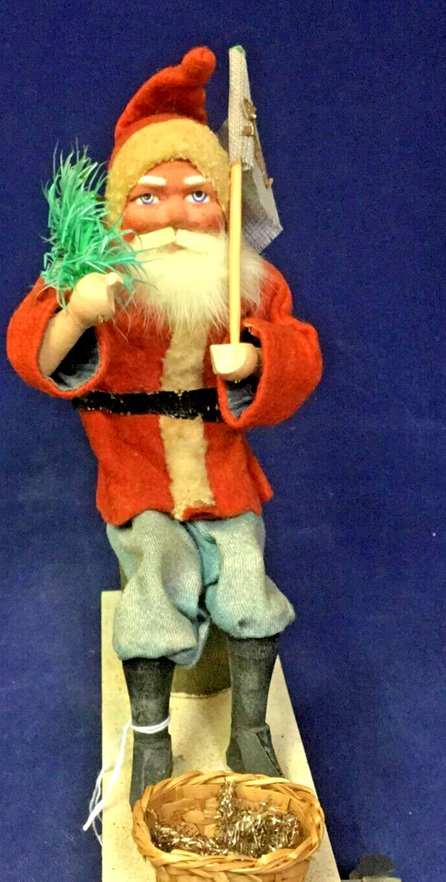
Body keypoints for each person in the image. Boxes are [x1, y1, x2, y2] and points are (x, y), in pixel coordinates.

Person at [7, 47, 322, 806]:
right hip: (138, 480)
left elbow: (301, 355)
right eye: (150, 197)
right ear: (119, 212)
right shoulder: (96, 278)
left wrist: (258, 359)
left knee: (246, 581)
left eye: (197, 194)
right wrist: (76, 313)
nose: (177, 215)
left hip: (227, 482)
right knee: (156, 579)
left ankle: (250, 728)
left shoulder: (248, 284)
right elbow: (31, 352)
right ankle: (152, 737)